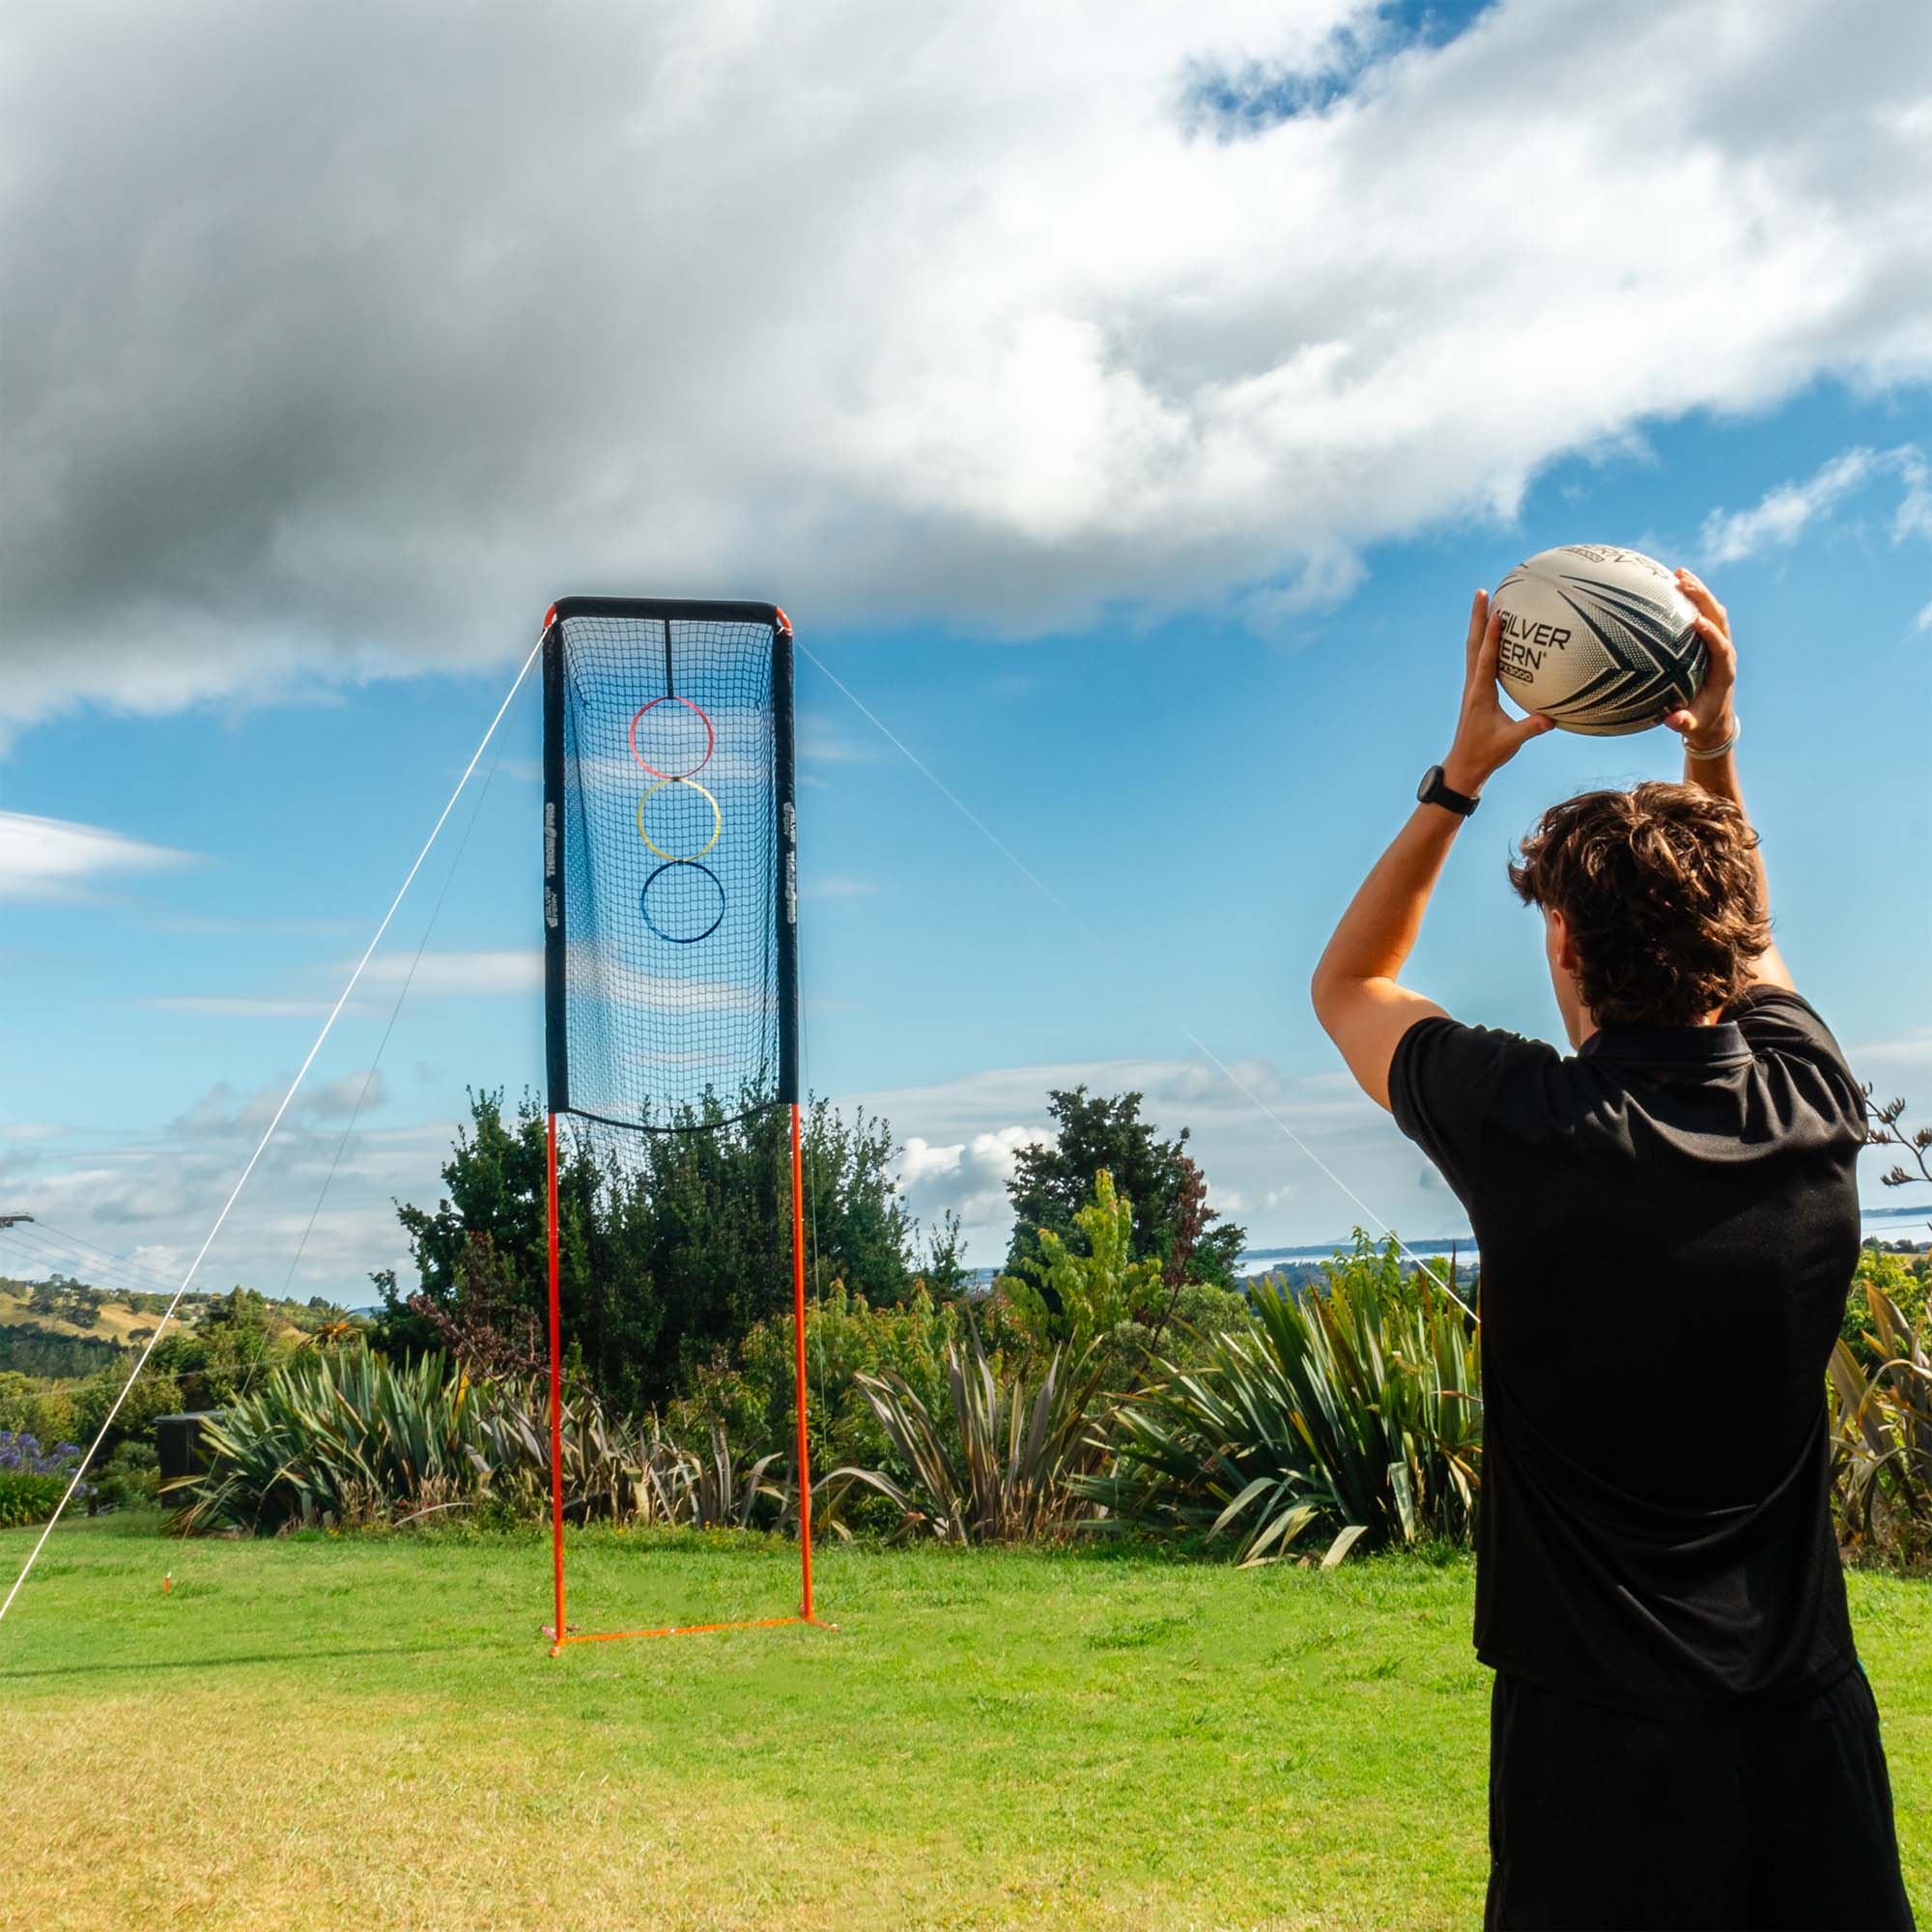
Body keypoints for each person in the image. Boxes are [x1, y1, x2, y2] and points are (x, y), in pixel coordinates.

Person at [1308, 571, 1915, 1930]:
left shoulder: (1531, 1124)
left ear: (1565, 943)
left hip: (1598, 1748)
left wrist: (1460, 776)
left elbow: (1349, 986)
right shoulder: (1811, 1103)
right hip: (1809, 1721)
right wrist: (1712, 745)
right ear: (1729, 938)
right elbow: (1756, 946)